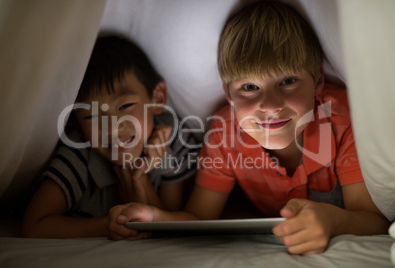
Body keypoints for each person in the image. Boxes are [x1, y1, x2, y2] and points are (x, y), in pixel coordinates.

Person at [104, 1, 390, 254]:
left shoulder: (342, 122)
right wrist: (152, 217)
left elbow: (373, 219)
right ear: (229, 95)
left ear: (317, 81)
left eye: (288, 81)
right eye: (250, 87)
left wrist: (331, 220)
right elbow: (201, 218)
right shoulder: (224, 135)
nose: (270, 105)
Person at [21, 36, 197, 238]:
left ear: (157, 99)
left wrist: (139, 181)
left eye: (125, 106)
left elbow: (171, 223)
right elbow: (33, 225)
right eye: (92, 116)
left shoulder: (171, 137)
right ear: (75, 121)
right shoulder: (80, 153)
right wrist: (106, 225)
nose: (113, 128)